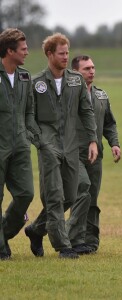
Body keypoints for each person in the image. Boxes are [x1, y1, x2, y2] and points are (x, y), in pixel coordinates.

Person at [24, 33, 98, 259]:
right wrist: (39, 140)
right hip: (48, 145)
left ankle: (36, 230)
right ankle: (63, 246)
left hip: (71, 145)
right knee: (54, 195)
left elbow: (85, 111)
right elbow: (29, 115)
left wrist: (93, 139)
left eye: (67, 53)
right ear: (49, 54)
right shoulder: (36, 83)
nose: (66, 57)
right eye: (61, 53)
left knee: (71, 195)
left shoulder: (76, 80)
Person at [65, 55, 121, 254]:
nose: (92, 71)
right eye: (86, 68)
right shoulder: (68, 95)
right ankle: (74, 238)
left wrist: (114, 143)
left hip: (96, 156)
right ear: (75, 73)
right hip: (74, 153)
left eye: (93, 68)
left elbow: (109, 123)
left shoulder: (101, 95)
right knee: (81, 192)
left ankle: (91, 240)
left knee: (92, 198)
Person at [0, 28, 41, 260]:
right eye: (23, 49)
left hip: (20, 147)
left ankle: (3, 235)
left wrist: (31, 137)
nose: (27, 52)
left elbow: (29, 111)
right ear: (9, 50)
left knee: (26, 194)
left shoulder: (25, 77)